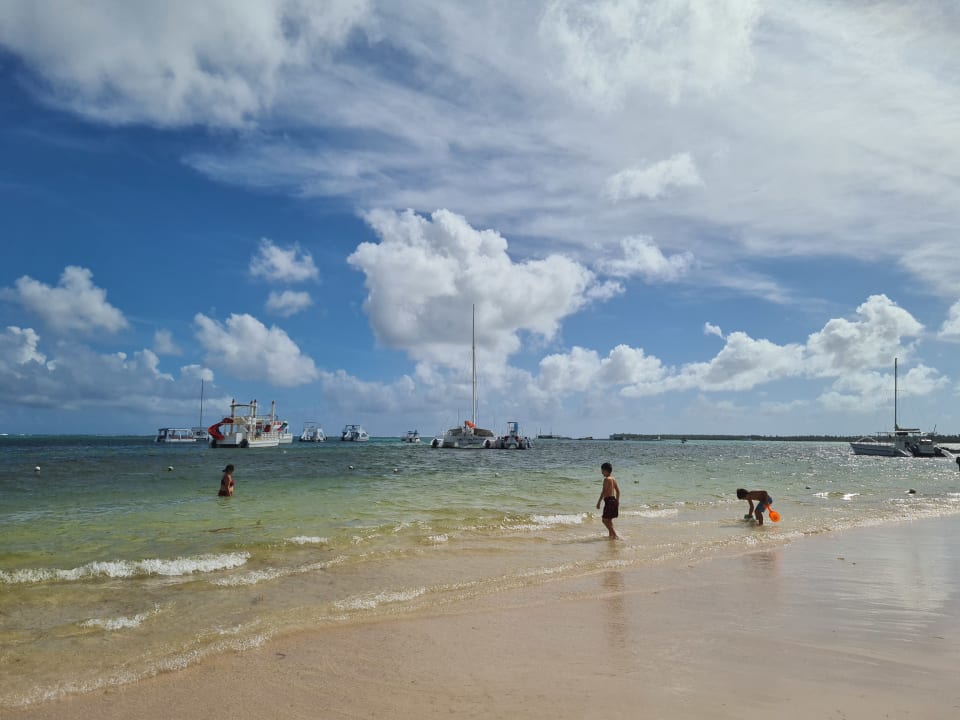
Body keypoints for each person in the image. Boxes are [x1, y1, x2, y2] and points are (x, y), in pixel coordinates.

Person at [596, 461, 621, 539]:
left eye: (602, 471)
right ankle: (611, 536)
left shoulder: (606, 479)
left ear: (606, 470)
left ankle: (615, 535)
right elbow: (618, 491)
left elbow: (603, 492)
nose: (602, 472)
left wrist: (599, 502)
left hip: (608, 501)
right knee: (609, 520)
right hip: (613, 500)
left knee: (604, 520)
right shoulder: (613, 478)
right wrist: (617, 501)